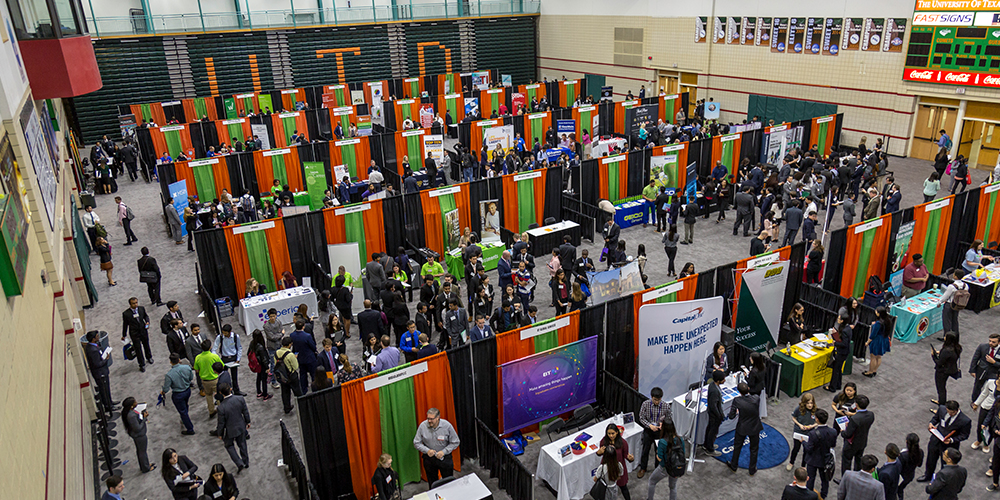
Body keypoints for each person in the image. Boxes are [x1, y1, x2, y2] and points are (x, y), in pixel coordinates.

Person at [918, 400, 971, 481]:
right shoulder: (942, 409)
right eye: (948, 411)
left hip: (949, 446)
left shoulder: (965, 421)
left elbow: (964, 435)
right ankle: (928, 475)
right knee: (930, 460)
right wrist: (931, 423)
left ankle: (942, 480)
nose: (949, 414)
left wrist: (952, 440)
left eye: (952, 413)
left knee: (945, 465)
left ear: (957, 410)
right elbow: (936, 418)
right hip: (935, 440)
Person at [413, 408, 460, 485]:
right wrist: (427, 450)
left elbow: (455, 442)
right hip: (429, 459)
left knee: (448, 483)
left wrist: (444, 452)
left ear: (438, 418)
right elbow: (416, 443)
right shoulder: (422, 426)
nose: (429, 421)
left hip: (445, 458)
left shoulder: (447, 426)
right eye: (428, 418)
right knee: (432, 483)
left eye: (431, 419)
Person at [727, 382, 763, 475]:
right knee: (754, 449)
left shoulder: (737, 400)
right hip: (754, 427)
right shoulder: (756, 398)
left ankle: (734, 466)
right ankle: (752, 469)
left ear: (739, 391)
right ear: (748, 388)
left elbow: (731, 416)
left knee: (737, 447)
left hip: (742, 427)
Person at [215, 383, 251, 473]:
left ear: (221, 393)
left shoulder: (221, 407)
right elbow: (245, 411)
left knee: (229, 445)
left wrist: (219, 433)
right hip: (241, 426)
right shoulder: (240, 399)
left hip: (229, 430)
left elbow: (221, 423)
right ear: (230, 389)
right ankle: (246, 462)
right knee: (242, 444)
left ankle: (239, 463)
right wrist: (248, 421)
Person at [636, 387, 671, 478]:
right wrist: (649, 425)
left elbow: (669, 418)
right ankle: (643, 468)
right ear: (651, 397)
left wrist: (662, 424)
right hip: (649, 430)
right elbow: (641, 417)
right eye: (655, 400)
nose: (657, 402)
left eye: (658, 400)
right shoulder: (645, 404)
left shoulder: (666, 406)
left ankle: (657, 468)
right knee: (645, 450)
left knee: (659, 451)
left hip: (659, 431)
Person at [645, 421, 683, 500]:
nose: (659, 426)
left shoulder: (662, 442)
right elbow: (683, 453)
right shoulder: (680, 439)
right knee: (673, 487)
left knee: (652, 481)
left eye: (661, 426)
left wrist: (657, 452)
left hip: (664, 468)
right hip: (676, 466)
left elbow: (659, 458)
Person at [803, 409, 837, 498]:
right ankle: (823, 496)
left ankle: (809, 496)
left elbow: (809, 449)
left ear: (817, 419)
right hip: (825, 460)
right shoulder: (833, 431)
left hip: (812, 460)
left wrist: (803, 442)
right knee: (825, 480)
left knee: (810, 479)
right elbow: (833, 445)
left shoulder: (813, 433)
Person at [160, 353, 196, 435]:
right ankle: (185, 418)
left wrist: (162, 392)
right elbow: (191, 378)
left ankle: (190, 429)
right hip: (187, 391)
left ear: (170, 362)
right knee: (185, 405)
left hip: (178, 394)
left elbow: (166, 388)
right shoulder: (187, 367)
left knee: (182, 412)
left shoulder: (169, 375)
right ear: (179, 360)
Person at [841, 395, 875, 474]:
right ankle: (857, 476)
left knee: (846, 462)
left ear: (856, 405)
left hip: (851, 444)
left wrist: (842, 431)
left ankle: (846, 479)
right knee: (858, 461)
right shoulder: (871, 415)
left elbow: (847, 434)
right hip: (862, 442)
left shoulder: (854, 419)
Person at [121, 397, 156, 473]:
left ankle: (145, 464)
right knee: (142, 452)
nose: (137, 403)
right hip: (139, 435)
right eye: (135, 402)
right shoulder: (131, 416)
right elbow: (138, 428)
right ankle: (145, 467)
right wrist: (144, 418)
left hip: (137, 435)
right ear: (131, 406)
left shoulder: (130, 412)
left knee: (141, 451)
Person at [84, 330, 114, 415]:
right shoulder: (92, 350)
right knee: (103, 390)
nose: (98, 337)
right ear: (93, 339)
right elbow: (97, 364)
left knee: (107, 388)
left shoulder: (95, 346)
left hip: (102, 371)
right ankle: (108, 406)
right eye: (97, 336)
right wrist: (106, 359)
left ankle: (110, 402)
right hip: (100, 373)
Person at [121, 297, 154, 372]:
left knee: (146, 345)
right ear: (130, 304)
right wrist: (124, 335)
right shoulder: (126, 314)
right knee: (138, 349)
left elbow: (146, 316)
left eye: (136, 302)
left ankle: (149, 357)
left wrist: (147, 322)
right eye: (133, 303)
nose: (135, 304)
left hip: (143, 330)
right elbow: (125, 324)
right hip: (134, 333)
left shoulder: (141, 309)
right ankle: (141, 364)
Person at [787, 393, 818, 471]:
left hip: (809, 433)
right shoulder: (799, 409)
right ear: (804, 403)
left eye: (811, 403)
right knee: (796, 448)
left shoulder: (815, 410)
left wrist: (812, 426)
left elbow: (818, 422)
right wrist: (800, 425)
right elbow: (794, 418)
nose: (810, 405)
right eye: (808, 403)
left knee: (806, 450)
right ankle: (791, 462)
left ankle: (803, 465)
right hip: (798, 432)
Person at [193, 339, 222, 416]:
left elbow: (196, 369)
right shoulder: (214, 356)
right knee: (219, 394)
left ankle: (211, 411)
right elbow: (221, 365)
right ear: (210, 347)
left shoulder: (198, 357)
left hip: (205, 381)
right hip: (215, 379)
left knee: (208, 396)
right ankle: (221, 409)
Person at [212, 324, 243, 396]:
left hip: (234, 358)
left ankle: (236, 391)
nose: (224, 334)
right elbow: (214, 349)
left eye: (226, 333)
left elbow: (239, 347)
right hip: (224, 359)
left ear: (230, 331)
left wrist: (238, 359)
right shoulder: (220, 337)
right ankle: (227, 392)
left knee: (234, 376)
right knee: (224, 376)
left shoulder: (235, 337)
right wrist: (218, 359)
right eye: (223, 332)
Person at [932, 333, 962, 405]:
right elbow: (950, 357)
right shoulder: (957, 347)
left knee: (941, 389)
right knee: (942, 387)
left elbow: (939, 362)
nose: (944, 337)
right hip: (951, 369)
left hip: (942, 371)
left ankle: (941, 406)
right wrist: (941, 353)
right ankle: (941, 401)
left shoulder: (946, 350)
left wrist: (933, 355)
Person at [824, 314, 852, 392]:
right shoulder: (848, 328)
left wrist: (835, 342)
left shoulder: (844, 330)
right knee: (838, 369)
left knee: (835, 370)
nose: (837, 319)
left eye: (839, 318)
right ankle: (838, 385)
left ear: (842, 320)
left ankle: (832, 387)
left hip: (841, 353)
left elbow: (844, 344)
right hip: (844, 352)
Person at [937, 269, 968, 339]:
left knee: (947, 322)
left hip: (949, 304)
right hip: (958, 305)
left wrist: (939, 302)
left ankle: (946, 337)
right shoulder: (965, 286)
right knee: (955, 321)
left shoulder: (952, 286)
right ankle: (956, 337)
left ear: (956, 276)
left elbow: (946, 296)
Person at [970, 333, 1000, 405]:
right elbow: (975, 358)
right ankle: (974, 401)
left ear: (999, 342)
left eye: (993, 342)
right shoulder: (982, 346)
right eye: (990, 341)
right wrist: (972, 370)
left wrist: (994, 362)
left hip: (994, 373)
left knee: (992, 389)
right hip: (981, 371)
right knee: (977, 386)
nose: (991, 343)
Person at [290, 319, 317, 395]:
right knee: (313, 374)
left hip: (300, 358)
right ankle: (315, 389)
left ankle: (303, 390)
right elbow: (313, 346)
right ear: (303, 327)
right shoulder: (307, 336)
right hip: (310, 358)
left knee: (302, 374)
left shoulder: (292, 335)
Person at [864, 306, 892, 377]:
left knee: (873, 357)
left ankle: (870, 372)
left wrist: (868, 342)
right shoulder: (887, 321)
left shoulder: (878, 324)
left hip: (877, 341)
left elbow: (873, 334)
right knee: (879, 357)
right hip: (884, 339)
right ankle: (874, 371)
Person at [703, 370, 725, 457]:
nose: (725, 380)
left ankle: (707, 445)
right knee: (713, 431)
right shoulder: (714, 391)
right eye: (723, 379)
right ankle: (710, 449)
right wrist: (719, 416)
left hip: (714, 414)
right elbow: (713, 406)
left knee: (710, 429)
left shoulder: (712, 385)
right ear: (718, 380)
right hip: (714, 415)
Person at [248, 330, 272, 401]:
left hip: (256, 365)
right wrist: (267, 367)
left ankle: (259, 392)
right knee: (264, 380)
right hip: (262, 365)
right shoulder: (261, 347)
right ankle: (265, 394)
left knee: (258, 378)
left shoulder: (252, 343)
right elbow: (264, 358)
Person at [898, 433, 924, 500]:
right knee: (901, 489)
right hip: (909, 476)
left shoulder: (903, 456)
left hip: (901, 477)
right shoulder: (920, 452)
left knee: (898, 491)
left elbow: (898, 467)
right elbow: (920, 464)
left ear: (906, 441)